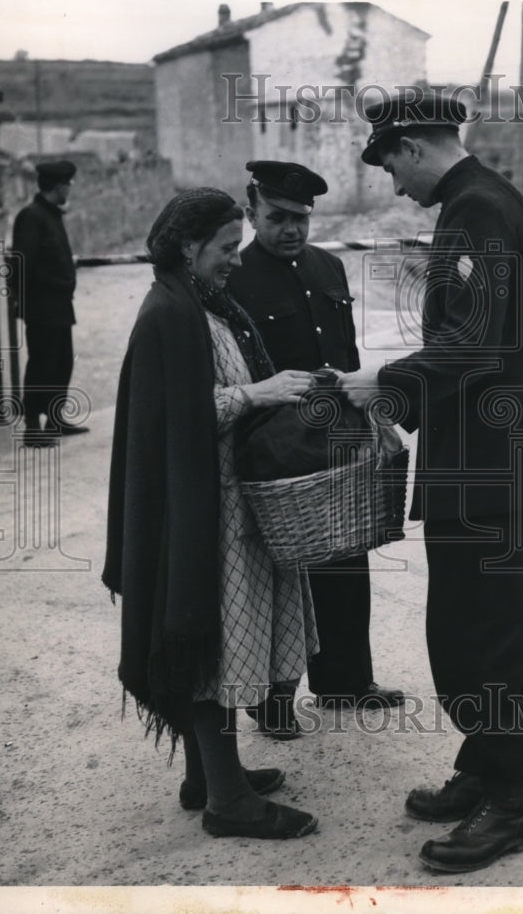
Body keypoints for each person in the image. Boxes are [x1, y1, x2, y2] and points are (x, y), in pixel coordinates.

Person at [340, 91, 523, 873]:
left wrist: (385, 384)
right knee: (464, 626)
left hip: (495, 465)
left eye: (390, 167)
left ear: (410, 146)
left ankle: (509, 803)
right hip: (488, 456)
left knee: (487, 637)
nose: (393, 185)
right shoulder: (481, 203)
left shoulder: (476, 208)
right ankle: (480, 769)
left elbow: (477, 341)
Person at [102, 188, 320, 839]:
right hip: (198, 514)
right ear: (190, 246)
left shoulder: (196, 302)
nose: (233, 260)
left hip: (215, 502)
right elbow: (179, 416)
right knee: (207, 649)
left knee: (214, 643)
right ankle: (228, 803)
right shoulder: (168, 313)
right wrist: (259, 393)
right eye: (226, 248)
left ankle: (207, 777)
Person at [227, 159, 404, 736]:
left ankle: (347, 681)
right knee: (278, 573)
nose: (291, 229)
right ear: (252, 211)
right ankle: (273, 699)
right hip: (272, 442)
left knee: (346, 557)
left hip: (333, 435)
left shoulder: (328, 266)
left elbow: (347, 352)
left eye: (301, 218)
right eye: (278, 217)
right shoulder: (234, 275)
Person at [10, 159, 89, 445]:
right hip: (42, 307)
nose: (70, 188)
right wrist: (60, 283)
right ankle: (33, 427)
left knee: (62, 362)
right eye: (68, 184)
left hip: (58, 305)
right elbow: (24, 266)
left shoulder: (50, 214)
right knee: (42, 365)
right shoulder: (31, 216)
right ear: (59, 186)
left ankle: (54, 420)